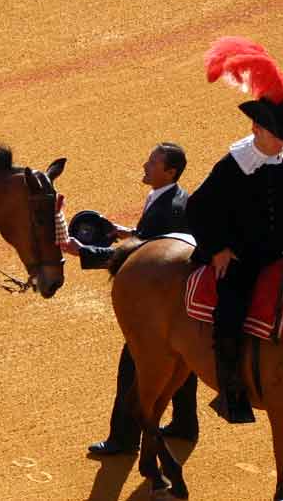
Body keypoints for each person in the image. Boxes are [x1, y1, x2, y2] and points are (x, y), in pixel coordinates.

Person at [186, 36, 283, 423]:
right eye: (277, 135)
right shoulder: (232, 165)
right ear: (257, 127)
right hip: (240, 257)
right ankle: (232, 393)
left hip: (278, 253)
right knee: (230, 315)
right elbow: (198, 208)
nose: (282, 142)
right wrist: (217, 250)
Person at [60, 142, 199, 455]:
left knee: (132, 367)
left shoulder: (171, 209)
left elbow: (144, 257)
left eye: (152, 163)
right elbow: (147, 239)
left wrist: (84, 251)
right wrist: (123, 231)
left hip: (158, 303)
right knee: (182, 360)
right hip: (175, 301)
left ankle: (123, 440)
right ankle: (185, 425)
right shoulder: (168, 196)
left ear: (169, 172)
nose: (145, 165)